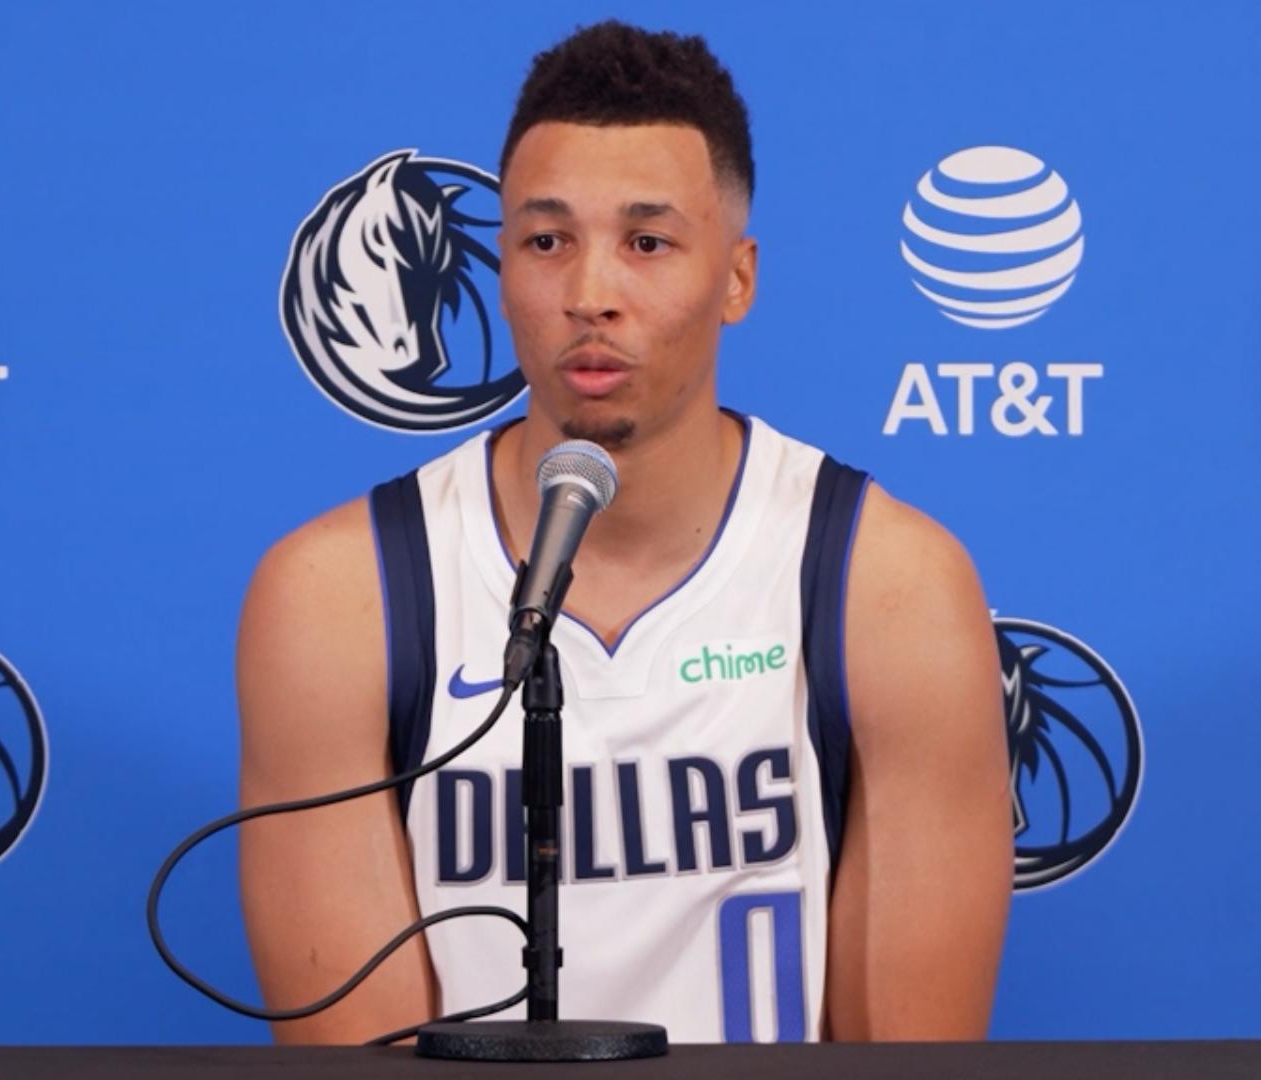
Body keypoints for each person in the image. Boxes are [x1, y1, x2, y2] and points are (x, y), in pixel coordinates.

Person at [236, 20, 1009, 1044]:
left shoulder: (888, 584)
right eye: (547, 241)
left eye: (647, 242)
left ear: (736, 278)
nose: (590, 295)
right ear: (502, 268)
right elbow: (359, 1056)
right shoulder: (342, 597)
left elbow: (906, 1065)